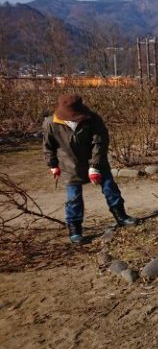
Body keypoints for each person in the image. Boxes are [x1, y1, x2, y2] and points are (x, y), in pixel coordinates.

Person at [43, 94, 136, 244]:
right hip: (69, 165)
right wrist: (53, 165)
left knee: (110, 189)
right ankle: (75, 229)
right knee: (74, 198)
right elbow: (48, 147)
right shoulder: (51, 123)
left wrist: (95, 167)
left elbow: (100, 143)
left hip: (96, 160)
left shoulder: (92, 119)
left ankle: (121, 216)